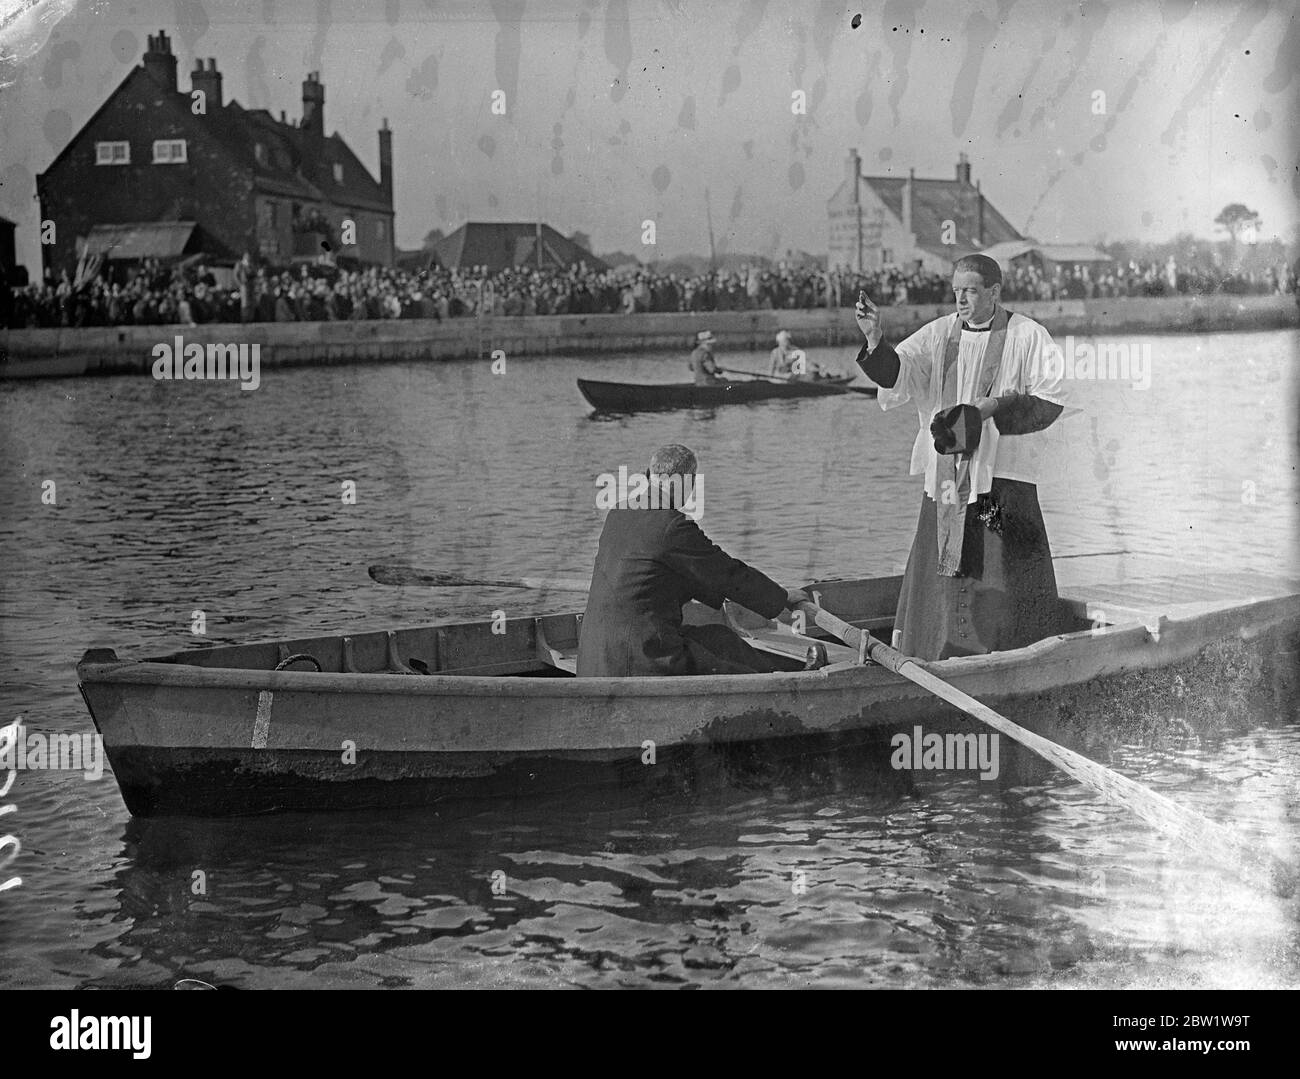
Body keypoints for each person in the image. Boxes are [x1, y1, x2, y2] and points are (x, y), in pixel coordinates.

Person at [854, 253, 1070, 661]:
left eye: (971, 291)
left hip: (1000, 479)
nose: (962, 300)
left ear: (994, 291)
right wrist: (874, 341)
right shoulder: (938, 335)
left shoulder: (1027, 335)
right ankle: (933, 647)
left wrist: (995, 408)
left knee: (1000, 562)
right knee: (940, 566)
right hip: (947, 478)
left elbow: (1051, 399)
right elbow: (899, 376)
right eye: (956, 292)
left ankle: (1014, 651)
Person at [577, 444, 811, 677]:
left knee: (721, 639)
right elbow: (727, 573)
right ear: (678, 482)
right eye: (691, 482)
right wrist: (781, 598)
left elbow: (667, 577)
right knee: (731, 669)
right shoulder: (671, 526)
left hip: (595, 658)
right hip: (642, 659)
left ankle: (789, 672)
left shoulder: (619, 513)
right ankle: (790, 681)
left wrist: (726, 591)